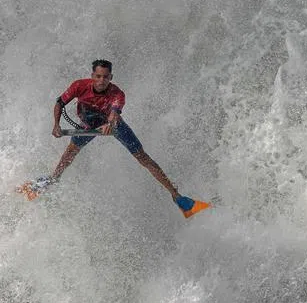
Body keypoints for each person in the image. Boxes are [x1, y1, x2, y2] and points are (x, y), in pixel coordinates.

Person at [33, 59, 209, 217]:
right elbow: (59, 103)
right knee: (69, 154)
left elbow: (115, 113)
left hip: (113, 126)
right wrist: (56, 125)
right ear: (92, 75)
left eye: (106, 77)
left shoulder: (117, 93)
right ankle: (51, 181)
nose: (101, 81)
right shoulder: (79, 86)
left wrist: (110, 124)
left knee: (143, 157)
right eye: (98, 76)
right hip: (89, 126)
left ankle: (178, 198)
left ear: (111, 77)